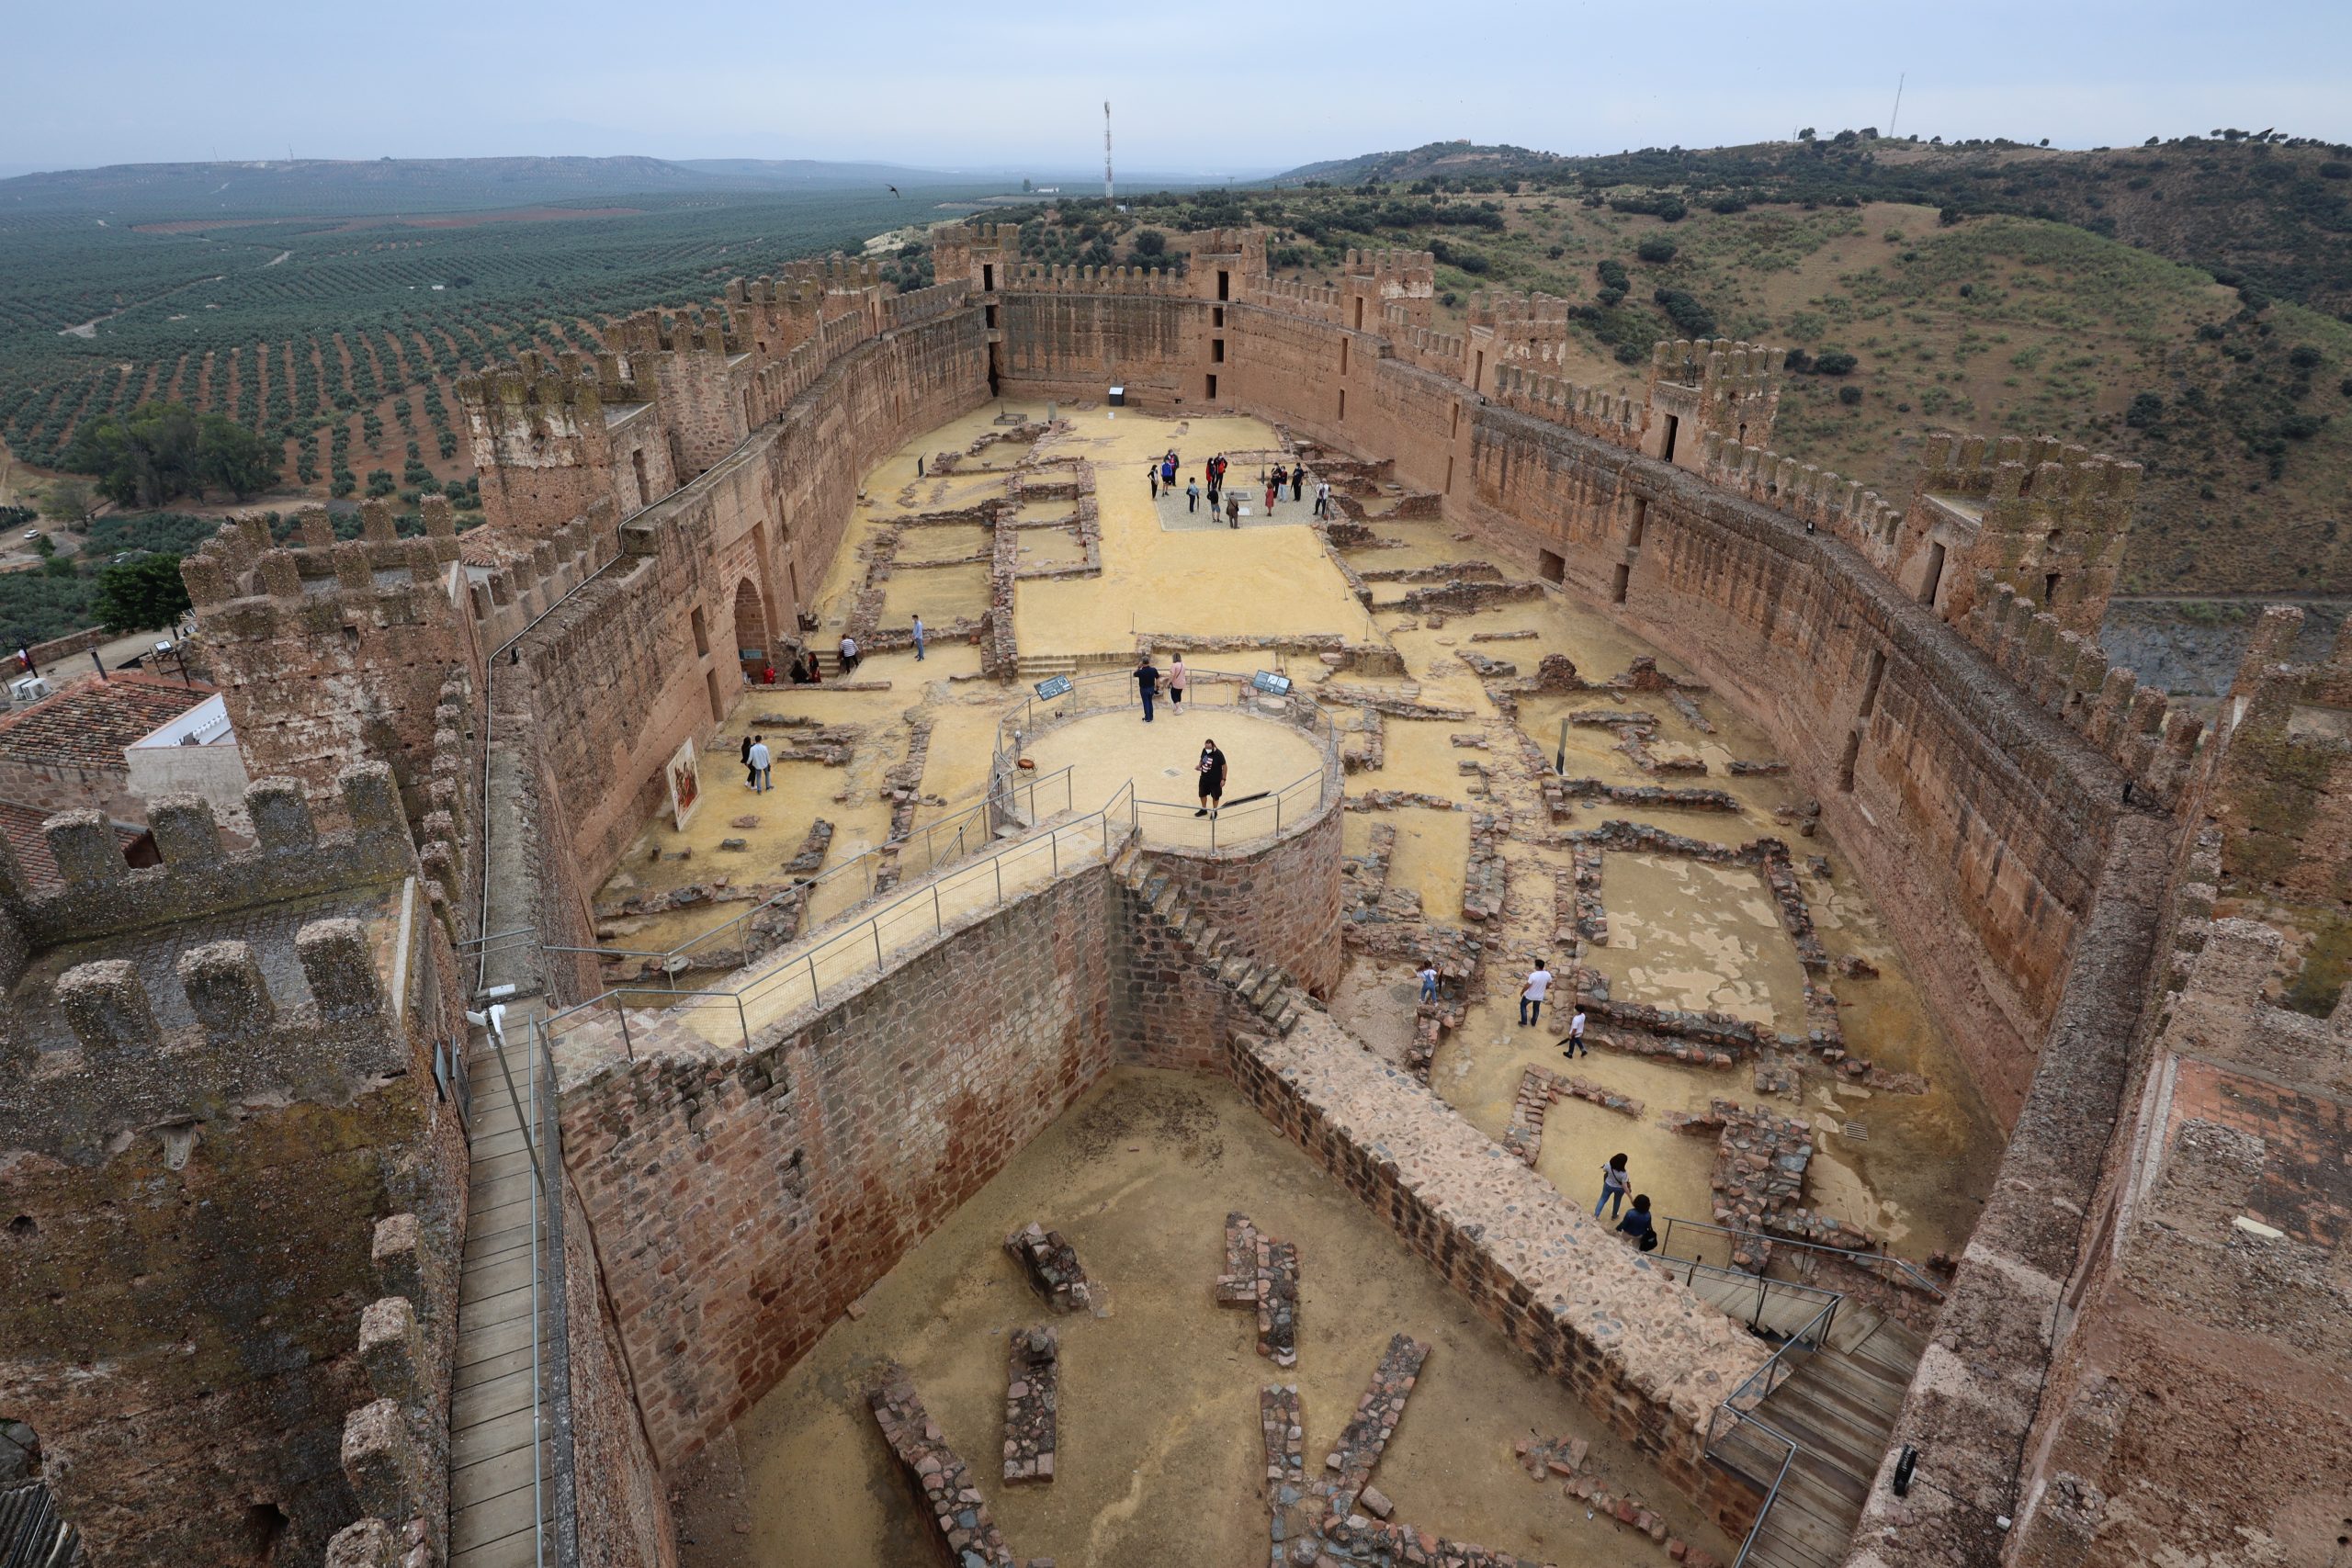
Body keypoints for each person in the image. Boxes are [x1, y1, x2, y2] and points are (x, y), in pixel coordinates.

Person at [1195, 737, 1227, 818]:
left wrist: (1223, 779)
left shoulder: (1219, 754)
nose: (1207, 749)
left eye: (1209, 748)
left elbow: (1225, 767)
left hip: (1215, 781)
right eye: (1206, 747)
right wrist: (1199, 766)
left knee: (1215, 796)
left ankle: (1214, 811)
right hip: (1204, 779)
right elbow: (1202, 759)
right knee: (1202, 794)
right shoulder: (1204, 750)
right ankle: (1203, 810)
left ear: (1213, 746)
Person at [1595, 1154, 1630, 1220]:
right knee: (1617, 1201)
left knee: (1602, 1199)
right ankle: (1614, 1216)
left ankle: (1596, 1216)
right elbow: (1625, 1185)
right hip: (1619, 1189)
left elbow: (1604, 1170)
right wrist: (1630, 1197)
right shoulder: (1624, 1174)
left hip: (1608, 1185)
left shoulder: (1608, 1165)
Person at [1519, 959, 1553, 1027]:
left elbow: (1527, 985)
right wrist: (1546, 987)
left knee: (1523, 1005)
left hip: (1530, 995)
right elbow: (1550, 983)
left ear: (1537, 967)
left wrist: (1522, 991)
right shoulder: (1547, 974)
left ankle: (1524, 1022)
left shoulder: (1533, 975)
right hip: (1539, 996)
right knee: (1536, 1009)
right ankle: (1533, 1022)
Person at [1134, 655, 1160, 722]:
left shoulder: (1140, 671)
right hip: (1151, 688)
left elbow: (1134, 674)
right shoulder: (1153, 670)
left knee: (1146, 703)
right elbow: (1157, 678)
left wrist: (1139, 667)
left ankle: (1147, 718)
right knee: (1150, 702)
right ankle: (1151, 717)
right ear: (1149, 662)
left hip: (1143, 689)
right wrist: (1157, 687)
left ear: (1142, 663)